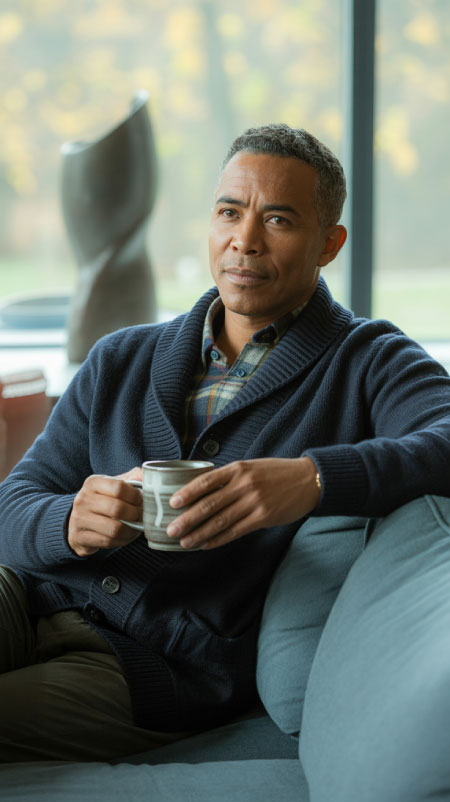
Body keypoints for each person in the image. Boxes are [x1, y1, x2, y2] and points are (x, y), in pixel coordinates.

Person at [1, 123, 450, 763]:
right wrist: (68, 521)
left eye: (279, 220)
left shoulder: (368, 361)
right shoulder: (120, 357)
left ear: (329, 244)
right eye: (229, 212)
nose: (245, 240)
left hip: (153, 663)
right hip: (27, 596)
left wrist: (310, 480)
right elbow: (12, 503)